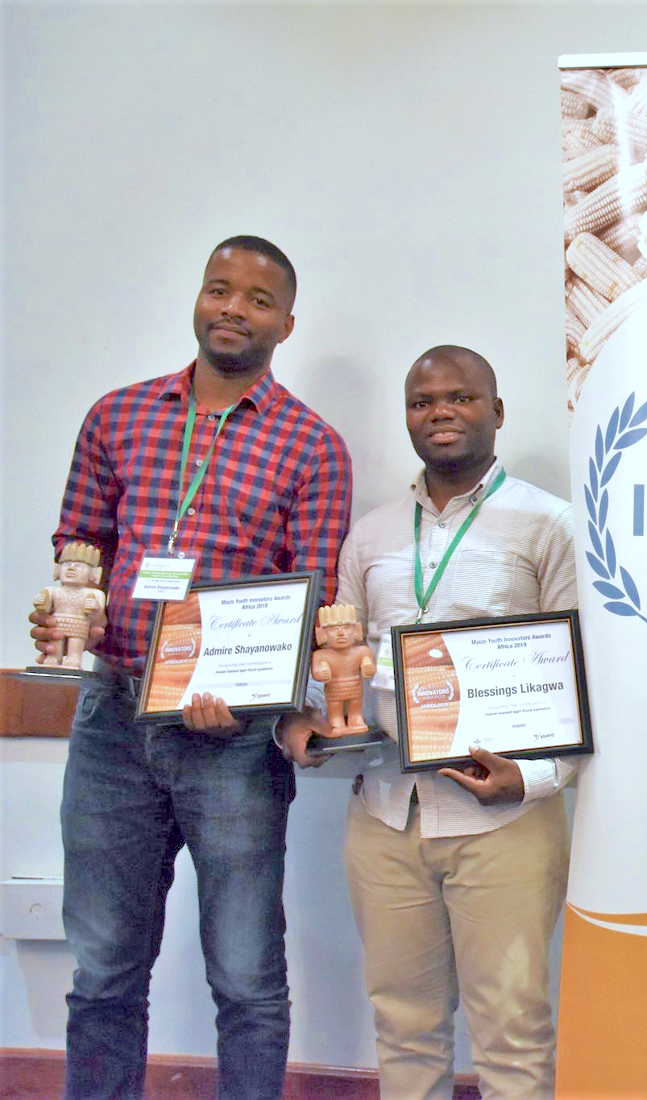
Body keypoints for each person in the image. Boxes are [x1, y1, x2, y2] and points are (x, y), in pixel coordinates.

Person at [34, 236, 352, 1099]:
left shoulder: (312, 446)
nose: (232, 309)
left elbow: (311, 597)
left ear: (285, 323)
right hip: (113, 723)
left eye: (256, 300)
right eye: (220, 289)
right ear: (199, 298)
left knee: (247, 979)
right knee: (102, 969)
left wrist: (254, 696)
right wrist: (64, 615)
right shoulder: (118, 415)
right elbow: (81, 543)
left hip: (233, 742)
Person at [280, 345, 579, 1098]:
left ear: (497, 412)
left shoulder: (551, 526)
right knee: (403, 1025)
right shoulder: (373, 534)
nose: (440, 412)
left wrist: (538, 778)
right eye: (422, 403)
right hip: (385, 817)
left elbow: (582, 675)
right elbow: (337, 650)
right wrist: (307, 727)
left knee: (513, 1028)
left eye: (461, 397)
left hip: (503, 820)